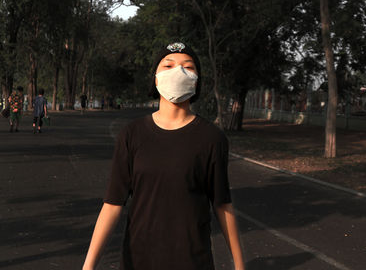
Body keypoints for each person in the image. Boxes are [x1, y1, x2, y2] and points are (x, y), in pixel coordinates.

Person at [83, 42, 245, 270]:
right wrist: (88, 265)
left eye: (188, 67)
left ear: (197, 80)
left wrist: (239, 265)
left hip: (193, 262)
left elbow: (222, 205)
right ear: (156, 78)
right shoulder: (132, 135)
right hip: (138, 260)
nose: (178, 72)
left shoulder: (212, 138)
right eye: (168, 65)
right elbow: (112, 205)